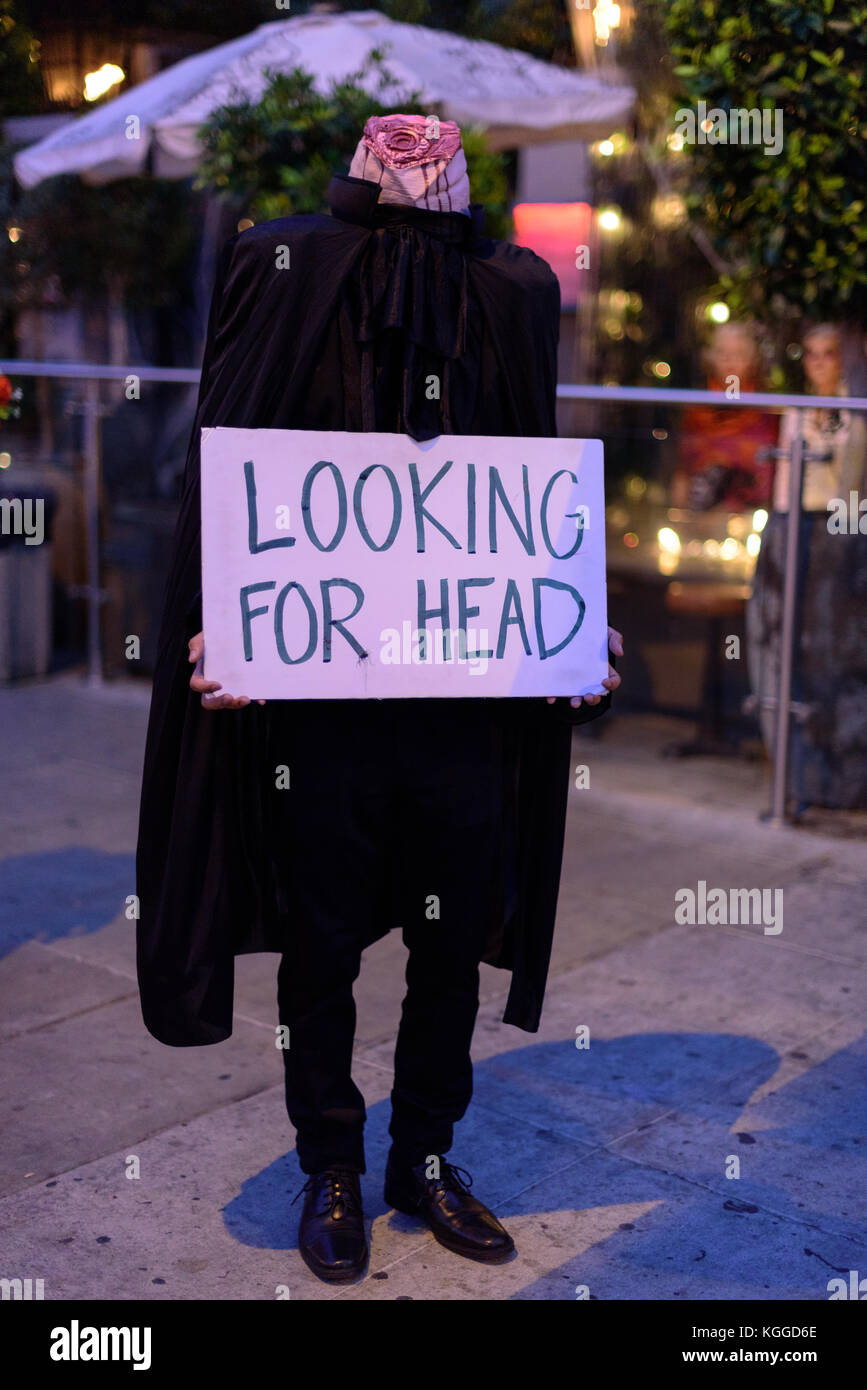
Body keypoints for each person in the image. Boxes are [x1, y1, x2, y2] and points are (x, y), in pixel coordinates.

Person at [136, 114, 621, 1284]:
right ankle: (333, 1161)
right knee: (321, 942)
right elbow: (230, 452)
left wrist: (569, 622)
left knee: (454, 939)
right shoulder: (278, 263)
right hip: (321, 694)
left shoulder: (512, 288)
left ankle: (426, 1155)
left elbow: (527, 473)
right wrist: (228, 618)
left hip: (463, 694)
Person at [746, 323, 867, 810]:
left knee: (833, 655)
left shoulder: (855, 408)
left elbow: (853, 487)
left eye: (829, 353)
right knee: (781, 647)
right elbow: (785, 481)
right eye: (812, 354)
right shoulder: (797, 410)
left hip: (841, 530)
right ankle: (794, 779)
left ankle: (838, 779)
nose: (819, 363)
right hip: (792, 529)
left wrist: (847, 540)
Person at [673, 321, 778, 512]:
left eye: (738, 355)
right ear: (710, 358)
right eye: (723, 354)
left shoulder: (767, 413)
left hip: (752, 519)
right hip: (701, 517)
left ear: (753, 360)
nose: (730, 363)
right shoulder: (697, 412)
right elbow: (683, 470)